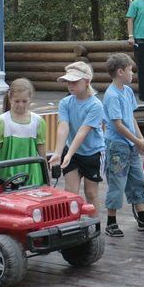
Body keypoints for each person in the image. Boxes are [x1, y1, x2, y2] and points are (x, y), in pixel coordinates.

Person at [102, 53, 144, 237]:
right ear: (120, 72)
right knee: (117, 182)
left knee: (137, 180)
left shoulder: (127, 92)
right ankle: (111, 222)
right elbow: (117, 124)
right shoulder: (112, 95)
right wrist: (136, 141)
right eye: (130, 70)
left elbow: (131, 118)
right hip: (117, 146)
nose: (132, 74)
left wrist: (139, 139)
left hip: (131, 145)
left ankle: (143, 217)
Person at [49, 62, 105, 207]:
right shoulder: (65, 102)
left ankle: (95, 224)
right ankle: (74, 226)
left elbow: (83, 132)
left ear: (87, 81)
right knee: (70, 192)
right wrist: (58, 152)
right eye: (68, 82)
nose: (70, 85)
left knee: (91, 193)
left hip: (93, 153)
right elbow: (63, 127)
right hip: (72, 151)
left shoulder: (95, 105)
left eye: (74, 81)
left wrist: (68, 155)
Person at [0, 78, 47, 186]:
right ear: (10, 98)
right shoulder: (2, 121)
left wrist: (45, 170)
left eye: (24, 101)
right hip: (7, 169)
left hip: (30, 168)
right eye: (17, 101)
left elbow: (41, 147)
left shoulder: (38, 121)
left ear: (30, 99)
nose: (21, 105)